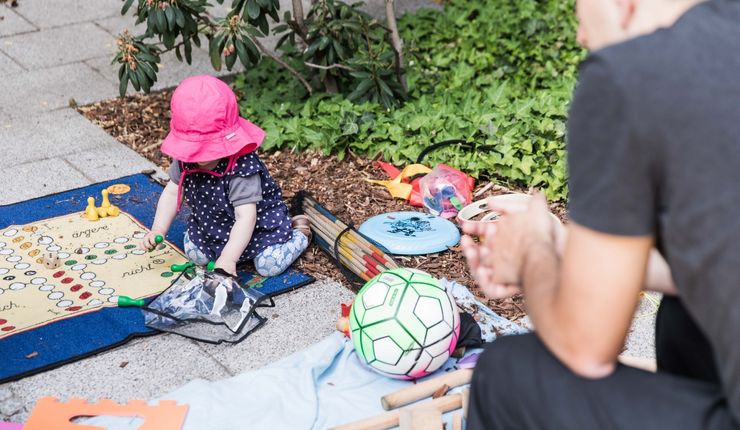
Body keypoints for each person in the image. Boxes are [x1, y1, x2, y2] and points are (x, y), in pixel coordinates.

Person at [460, 0, 740, 428]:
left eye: (578, 15)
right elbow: (720, 257)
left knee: (506, 374)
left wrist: (534, 252)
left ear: (621, 4)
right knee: (682, 318)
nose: (581, 37)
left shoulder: (630, 75)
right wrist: (569, 246)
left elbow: (585, 347)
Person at [140, 75, 310, 277]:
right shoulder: (185, 159)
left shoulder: (241, 168)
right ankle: (226, 251)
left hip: (258, 230)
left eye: (206, 148)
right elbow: (171, 193)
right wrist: (158, 229)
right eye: (194, 148)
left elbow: (246, 217)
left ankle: (299, 233)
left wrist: (228, 259)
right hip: (215, 226)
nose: (199, 157)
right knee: (196, 255)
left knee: (268, 267)